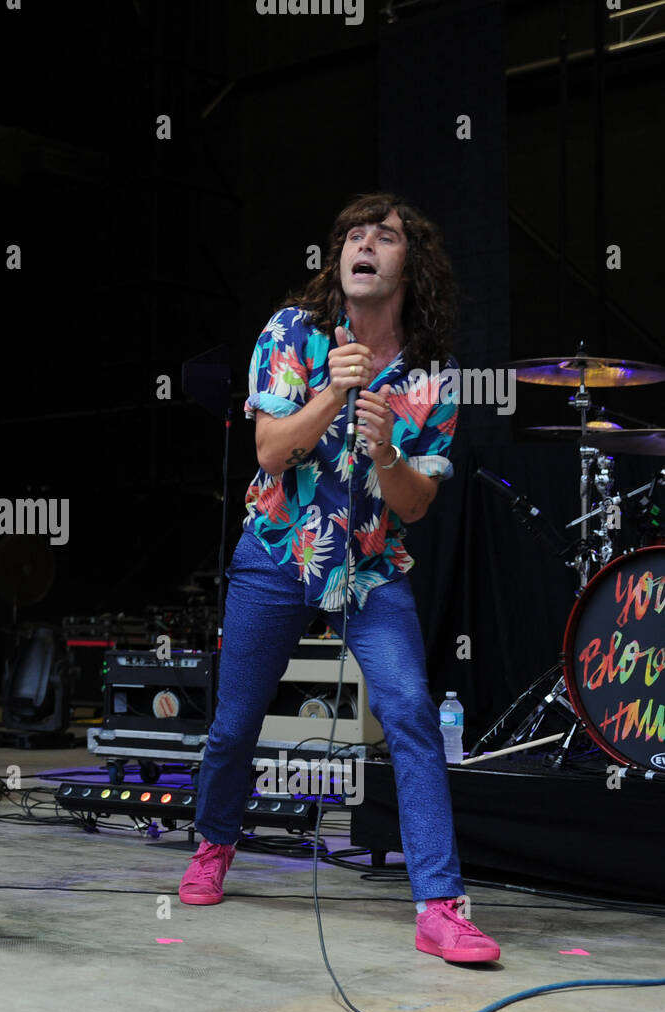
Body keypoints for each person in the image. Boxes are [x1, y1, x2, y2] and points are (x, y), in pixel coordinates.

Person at [179, 192, 500, 964]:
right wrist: (333, 391)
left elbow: (417, 505)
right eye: (354, 235)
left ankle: (439, 904)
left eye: (383, 237)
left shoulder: (431, 378)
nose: (364, 244)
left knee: (412, 715)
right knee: (235, 723)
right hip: (279, 551)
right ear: (339, 258)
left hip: (369, 569)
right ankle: (215, 841)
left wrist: (387, 451)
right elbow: (268, 452)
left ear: (407, 264)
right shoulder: (293, 332)